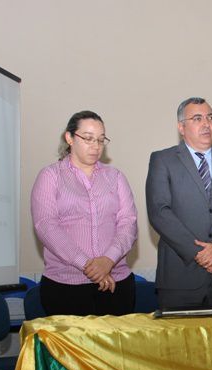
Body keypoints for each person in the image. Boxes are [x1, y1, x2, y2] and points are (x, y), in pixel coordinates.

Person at [146, 97, 212, 308]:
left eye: (210, 118)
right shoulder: (163, 160)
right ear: (181, 127)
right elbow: (160, 212)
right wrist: (202, 254)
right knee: (180, 341)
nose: (206, 124)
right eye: (197, 118)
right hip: (180, 277)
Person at [31, 111, 138, 315]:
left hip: (116, 283)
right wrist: (88, 266)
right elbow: (47, 226)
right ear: (69, 138)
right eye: (88, 138)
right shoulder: (51, 176)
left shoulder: (115, 177)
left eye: (100, 140)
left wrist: (108, 261)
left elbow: (128, 223)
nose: (96, 146)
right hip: (66, 287)